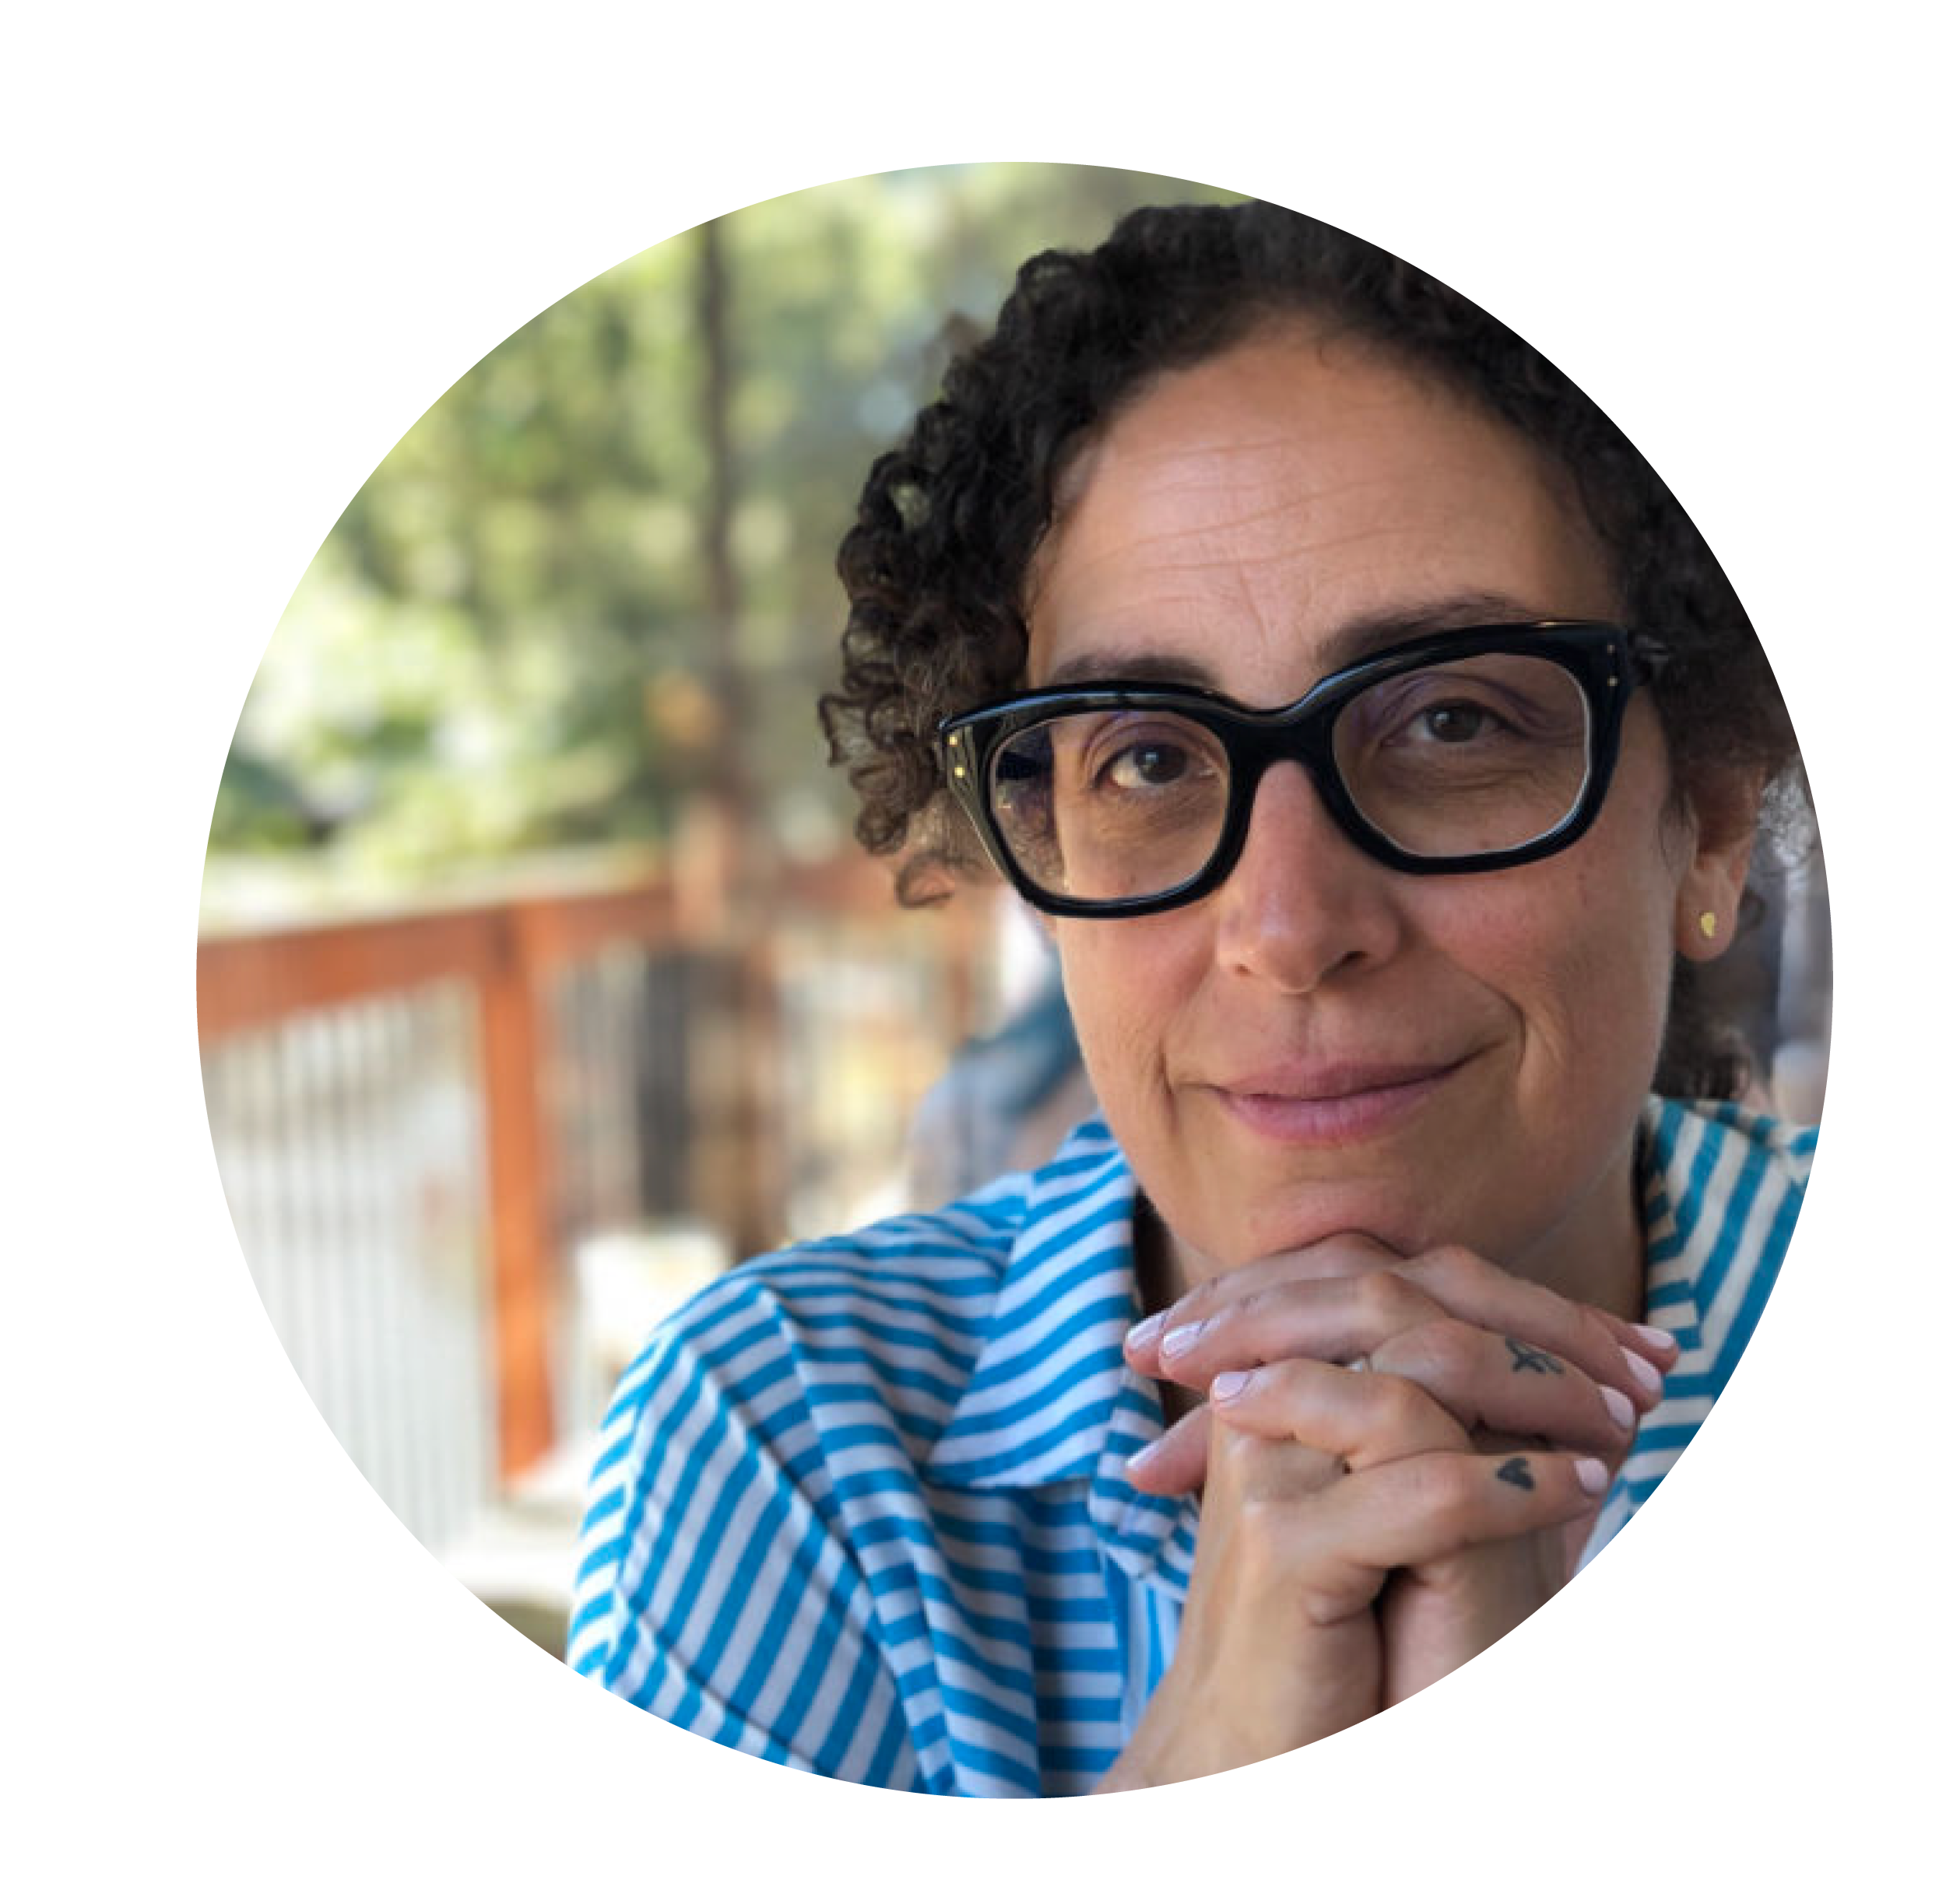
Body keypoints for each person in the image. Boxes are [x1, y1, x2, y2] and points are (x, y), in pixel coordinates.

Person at [567, 202, 1820, 1794]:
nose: (1286, 925)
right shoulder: (795, 1444)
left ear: (1702, 812)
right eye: (1145, 758)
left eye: (1449, 724)